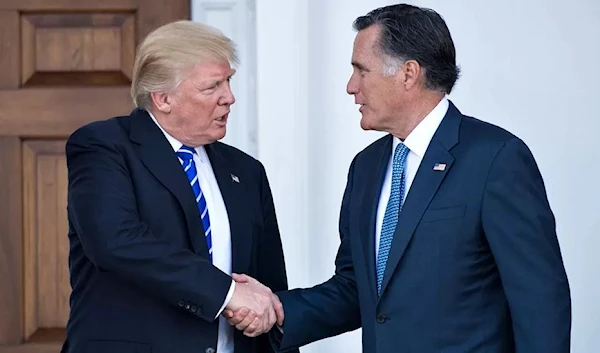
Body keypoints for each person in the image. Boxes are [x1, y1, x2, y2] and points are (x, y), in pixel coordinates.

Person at [225, 4, 572, 353]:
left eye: (361, 70)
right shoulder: (366, 166)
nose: (351, 87)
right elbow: (356, 289)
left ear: (408, 74)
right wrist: (278, 311)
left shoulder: (495, 158)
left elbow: (540, 300)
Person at [61, 20, 296, 353]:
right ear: (163, 98)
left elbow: (268, 285)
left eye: (228, 81)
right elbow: (115, 241)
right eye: (212, 86)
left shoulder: (246, 170)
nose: (229, 97)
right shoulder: (104, 147)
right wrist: (226, 293)